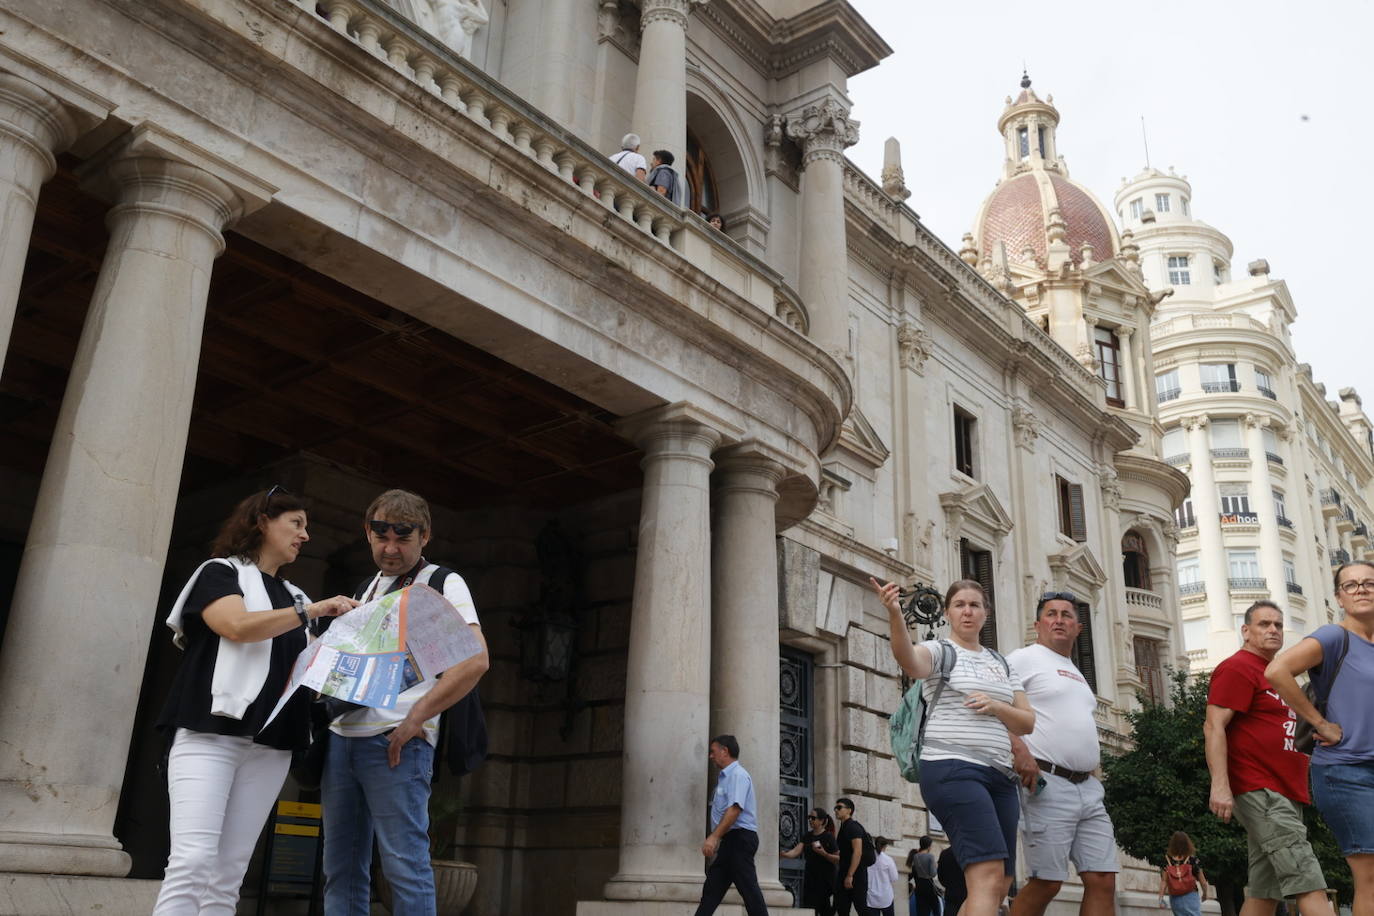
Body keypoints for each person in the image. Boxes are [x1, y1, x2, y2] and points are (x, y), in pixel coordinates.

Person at [153, 487, 359, 915]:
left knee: (229, 874)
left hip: (272, 746)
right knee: (192, 862)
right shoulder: (220, 572)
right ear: (262, 522)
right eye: (296, 524)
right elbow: (235, 625)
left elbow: (316, 676)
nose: (305, 536)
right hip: (211, 735)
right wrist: (315, 612)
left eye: (306, 527)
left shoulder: (297, 597)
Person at [323, 489, 489, 916]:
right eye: (381, 536)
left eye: (403, 538)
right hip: (343, 738)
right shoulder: (368, 586)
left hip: (397, 741)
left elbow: (475, 658)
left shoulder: (441, 581)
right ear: (367, 532)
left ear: (424, 536)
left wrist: (417, 717)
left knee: (405, 865)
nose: (390, 548)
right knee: (340, 869)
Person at [872, 578, 1035, 916]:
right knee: (988, 876)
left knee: (1000, 882)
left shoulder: (1002, 664)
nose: (967, 611)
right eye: (959, 604)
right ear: (947, 612)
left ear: (985, 614)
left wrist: (996, 707)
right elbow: (909, 660)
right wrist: (894, 615)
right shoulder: (941, 651)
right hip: (952, 767)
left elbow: (1026, 722)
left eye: (975, 605)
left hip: (1001, 778)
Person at [1206, 600, 1336, 916]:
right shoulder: (1238, 667)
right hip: (1260, 788)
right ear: (1246, 631)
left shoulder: (1278, 675)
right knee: (1308, 879)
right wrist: (1220, 786)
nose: (1273, 630)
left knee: (1265, 894)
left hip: (1286, 790)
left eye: (1278, 624)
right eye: (1264, 624)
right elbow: (1213, 726)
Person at [1267, 561, 1374, 916]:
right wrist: (1319, 723)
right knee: (1370, 877)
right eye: (1351, 585)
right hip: (1347, 772)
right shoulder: (1333, 636)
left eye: (1369, 582)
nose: (1361, 589)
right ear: (1339, 598)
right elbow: (1277, 670)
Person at [1006, 592, 1118, 916]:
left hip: (1089, 788)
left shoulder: (1077, 673)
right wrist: (1019, 749)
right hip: (1047, 782)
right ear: (1037, 624)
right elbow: (992, 703)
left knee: (1102, 879)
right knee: (1047, 881)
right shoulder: (1023, 658)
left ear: (1078, 628)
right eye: (1051, 614)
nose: (1059, 620)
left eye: (1066, 615)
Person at [693, 734, 770, 915]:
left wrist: (714, 837)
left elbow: (735, 810)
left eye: (713, 752)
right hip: (731, 841)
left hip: (740, 839)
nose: (710, 756)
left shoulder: (738, 775)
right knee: (712, 889)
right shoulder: (725, 778)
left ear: (724, 751)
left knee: (749, 891)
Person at [782, 807, 839, 915]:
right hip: (811, 879)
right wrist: (784, 854)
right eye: (809, 818)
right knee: (809, 908)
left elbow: (838, 858)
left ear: (821, 821)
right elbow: (796, 851)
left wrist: (824, 853)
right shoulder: (807, 836)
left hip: (826, 880)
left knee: (825, 910)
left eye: (813, 818)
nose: (810, 820)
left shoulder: (828, 837)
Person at [833, 798, 874, 916]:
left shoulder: (853, 827)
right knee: (842, 907)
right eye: (835, 808)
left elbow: (857, 852)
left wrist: (850, 875)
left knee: (860, 906)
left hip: (857, 874)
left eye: (839, 808)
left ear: (849, 810)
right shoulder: (843, 827)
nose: (836, 810)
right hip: (844, 872)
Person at [1158, 832, 1208, 916]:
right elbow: (1203, 881)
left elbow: (1164, 881)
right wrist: (1205, 894)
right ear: (1188, 844)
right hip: (1190, 895)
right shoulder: (1192, 860)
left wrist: (1161, 897)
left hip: (1175, 897)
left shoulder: (1167, 860)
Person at [868, 837, 900, 916]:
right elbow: (894, 878)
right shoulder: (888, 860)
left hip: (870, 897)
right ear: (885, 846)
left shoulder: (867, 858)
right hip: (886, 897)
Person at [908, 836, 939, 916]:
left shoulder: (915, 856)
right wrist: (936, 867)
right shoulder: (930, 856)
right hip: (929, 887)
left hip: (919, 887)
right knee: (936, 909)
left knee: (922, 912)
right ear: (929, 846)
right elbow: (933, 874)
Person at [937, 844, 966, 916]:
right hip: (966, 894)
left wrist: (948, 885)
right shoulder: (970, 854)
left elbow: (940, 876)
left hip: (950, 893)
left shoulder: (945, 853)